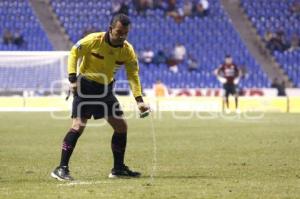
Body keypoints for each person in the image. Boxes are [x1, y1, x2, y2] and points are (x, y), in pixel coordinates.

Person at [51, 14, 150, 181]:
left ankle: (118, 169)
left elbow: (133, 75)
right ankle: (61, 168)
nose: (122, 36)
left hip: (106, 89)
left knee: (121, 127)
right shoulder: (94, 40)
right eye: (119, 32)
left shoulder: (127, 50)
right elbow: (74, 52)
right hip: (86, 85)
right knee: (78, 125)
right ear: (110, 29)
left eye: (125, 33)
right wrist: (73, 79)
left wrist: (139, 100)